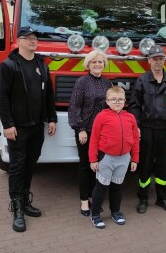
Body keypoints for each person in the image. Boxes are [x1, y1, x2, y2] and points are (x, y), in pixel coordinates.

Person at [0, 26, 57, 233]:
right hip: (18, 128)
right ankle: (17, 208)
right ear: (18, 41)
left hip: (36, 126)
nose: (32, 41)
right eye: (28, 38)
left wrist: (52, 118)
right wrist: (8, 124)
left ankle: (26, 200)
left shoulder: (42, 65)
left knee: (30, 165)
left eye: (34, 38)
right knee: (17, 167)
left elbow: (49, 95)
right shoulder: (9, 65)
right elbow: (1, 97)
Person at [129, 45, 166, 214]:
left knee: (163, 165)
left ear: (164, 60)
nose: (158, 61)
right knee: (145, 165)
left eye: (161, 58)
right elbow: (134, 105)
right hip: (147, 128)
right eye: (155, 58)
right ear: (149, 60)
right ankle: (143, 198)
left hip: (165, 129)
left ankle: (161, 198)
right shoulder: (142, 80)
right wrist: (136, 125)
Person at [68, 50, 112, 217]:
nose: (97, 64)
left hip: (101, 133)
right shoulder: (82, 82)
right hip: (85, 132)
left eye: (100, 62)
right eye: (94, 62)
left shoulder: (107, 83)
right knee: (85, 166)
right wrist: (79, 129)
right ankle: (84, 201)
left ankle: (95, 198)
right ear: (88, 64)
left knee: (98, 166)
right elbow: (74, 107)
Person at [89, 86, 139, 229]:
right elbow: (94, 139)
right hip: (106, 158)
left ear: (125, 101)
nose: (117, 102)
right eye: (113, 99)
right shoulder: (101, 116)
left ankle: (115, 212)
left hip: (123, 159)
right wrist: (93, 159)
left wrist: (135, 158)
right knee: (101, 187)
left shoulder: (130, 117)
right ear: (107, 101)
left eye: (120, 99)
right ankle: (96, 215)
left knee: (118, 187)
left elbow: (135, 140)